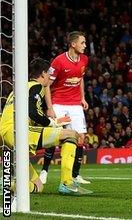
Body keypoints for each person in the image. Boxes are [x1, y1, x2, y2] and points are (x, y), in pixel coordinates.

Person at [0, 58, 92, 195]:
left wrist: (55, 122)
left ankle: (7, 186)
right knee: (71, 134)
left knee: (38, 186)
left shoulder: (19, 89)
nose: (50, 76)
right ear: (43, 73)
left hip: (6, 135)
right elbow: (33, 113)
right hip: (17, 132)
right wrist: (52, 123)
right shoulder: (36, 86)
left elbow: (28, 115)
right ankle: (67, 183)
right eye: (49, 72)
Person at [40, 31, 91, 185]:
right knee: (54, 137)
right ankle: (44, 172)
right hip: (59, 103)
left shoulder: (84, 60)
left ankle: (75, 175)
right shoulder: (59, 61)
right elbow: (47, 84)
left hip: (75, 104)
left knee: (80, 138)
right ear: (73, 44)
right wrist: (50, 107)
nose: (85, 45)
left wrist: (82, 97)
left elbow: (80, 79)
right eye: (82, 43)